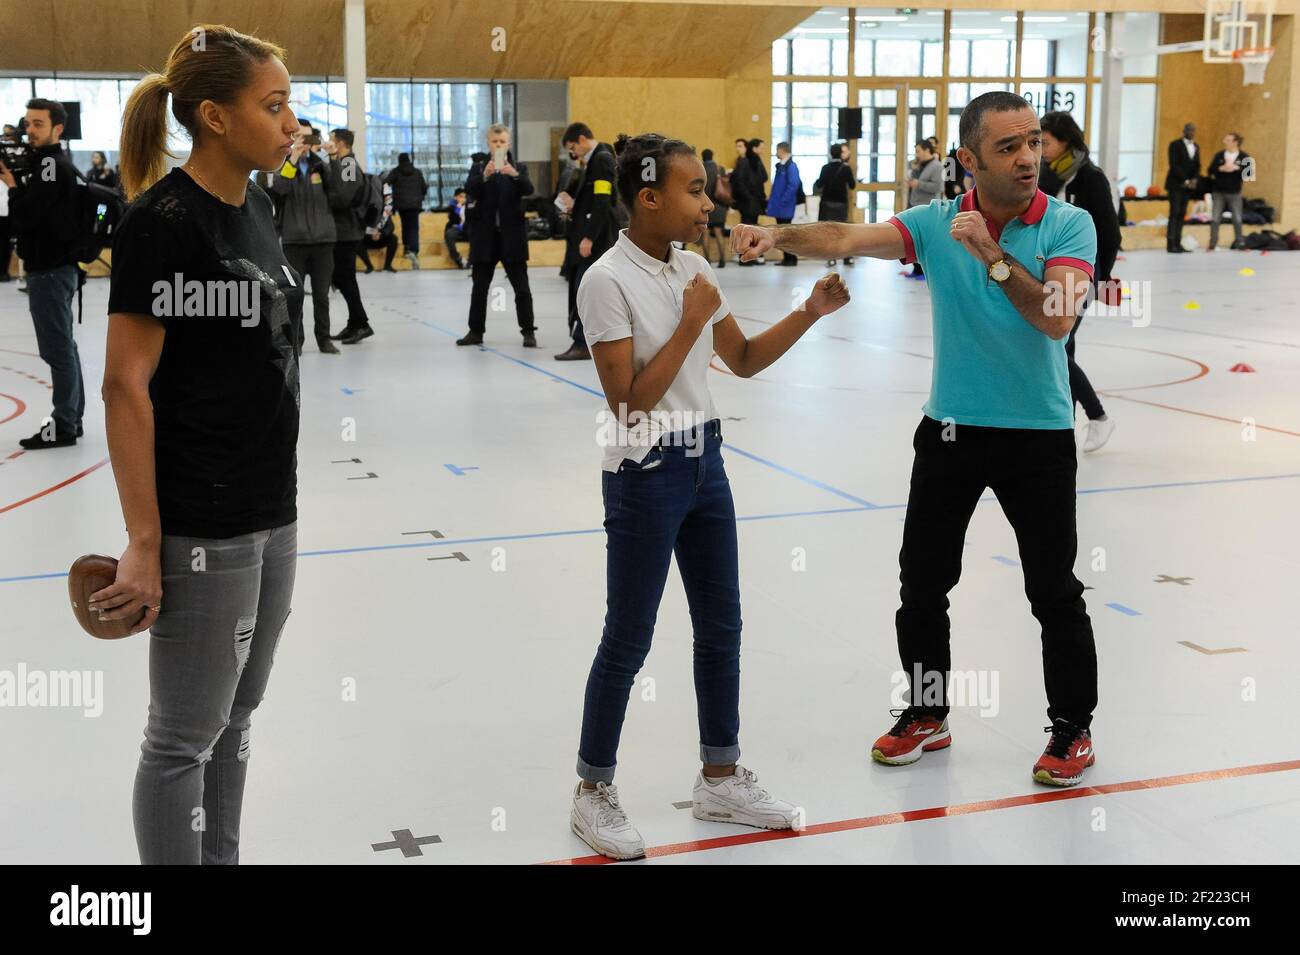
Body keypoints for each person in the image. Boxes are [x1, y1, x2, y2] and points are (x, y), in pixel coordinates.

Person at [733, 91, 1101, 789]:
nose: (1028, 158)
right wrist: (776, 234)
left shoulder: (1069, 224)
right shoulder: (936, 221)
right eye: (1008, 147)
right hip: (951, 430)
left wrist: (991, 255)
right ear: (969, 160)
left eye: (1032, 143)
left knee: (1053, 589)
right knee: (922, 581)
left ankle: (1072, 727)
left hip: (1038, 435)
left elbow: (1056, 318)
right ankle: (927, 711)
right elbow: (844, 238)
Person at [570, 132, 850, 860]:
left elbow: (745, 359)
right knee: (627, 637)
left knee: (721, 625)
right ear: (648, 197)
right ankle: (592, 790)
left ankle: (719, 776)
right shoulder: (606, 281)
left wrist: (810, 310)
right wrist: (691, 321)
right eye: (695, 189)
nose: (708, 200)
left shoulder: (694, 266)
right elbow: (628, 404)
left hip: (706, 463)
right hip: (645, 472)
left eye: (707, 188)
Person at [101, 24, 302, 865]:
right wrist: (146, 542)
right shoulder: (160, 225)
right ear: (215, 117)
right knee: (182, 738)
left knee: (238, 718)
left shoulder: (258, 204)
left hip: (272, 507)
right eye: (276, 104)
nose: (293, 121)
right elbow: (124, 385)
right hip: (201, 523)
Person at [1, 98, 85, 449]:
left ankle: (64, 424)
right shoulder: (51, 164)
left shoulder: (51, 167)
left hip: (50, 271)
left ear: (58, 129)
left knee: (57, 349)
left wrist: (13, 187)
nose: (30, 130)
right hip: (56, 269)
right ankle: (71, 418)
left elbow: (26, 217)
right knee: (64, 346)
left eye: (38, 124)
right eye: (28, 123)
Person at [1041, 110, 1120, 453]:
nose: (1040, 148)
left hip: (1081, 276)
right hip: (1044, 273)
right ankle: (1065, 429)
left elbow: (1110, 233)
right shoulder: (1044, 175)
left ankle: (1097, 417)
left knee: (1055, 348)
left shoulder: (1090, 178)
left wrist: (1100, 277)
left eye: (1045, 142)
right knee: (1062, 348)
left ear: (1066, 141)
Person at [457, 124, 537, 347]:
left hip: (513, 237)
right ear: (488, 143)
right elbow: (470, 189)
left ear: (509, 143)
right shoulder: (479, 167)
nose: (499, 145)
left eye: (502, 141)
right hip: (485, 238)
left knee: (521, 287)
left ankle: (528, 331)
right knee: (479, 287)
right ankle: (475, 331)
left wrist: (515, 175)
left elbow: (529, 189)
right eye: (495, 141)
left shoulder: (519, 167)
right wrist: (485, 175)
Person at [269, 123, 339, 354]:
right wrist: (293, 159)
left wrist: (333, 158)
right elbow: (280, 188)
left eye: (308, 138)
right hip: (294, 241)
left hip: (323, 241)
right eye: (299, 137)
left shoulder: (322, 165)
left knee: (321, 295)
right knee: (293, 295)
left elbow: (339, 191)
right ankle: (295, 340)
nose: (304, 142)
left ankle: (324, 339)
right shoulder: (284, 164)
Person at [555, 122, 617, 360]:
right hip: (587, 235)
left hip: (594, 240)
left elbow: (603, 201)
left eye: (573, 147)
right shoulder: (593, 160)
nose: (573, 153)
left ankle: (581, 342)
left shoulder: (601, 159)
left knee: (584, 290)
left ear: (581, 139)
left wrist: (589, 237)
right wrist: (574, 205)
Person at [324, 128, 373, 344]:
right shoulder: (342, 164)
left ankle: (361, 323)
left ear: (341, 143)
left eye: (331, 140)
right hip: (341, 231)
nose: (327, 143)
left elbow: (343, 197)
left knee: (345, 278)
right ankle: (355, 323)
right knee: (343, 278)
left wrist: (325, 197)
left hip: (347, 231)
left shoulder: (348, 165)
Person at [813, 142, 856, 266]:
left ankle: (831, 258)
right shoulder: (846, 168)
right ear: (841, 154)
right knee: (842, 231)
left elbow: (820, 184)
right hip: (841, 203)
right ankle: (847, 257)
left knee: (829, 232)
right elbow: (852, 185)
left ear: (830, 154)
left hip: (827, 203)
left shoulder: (825, 168)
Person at [905, 139, 944, 278]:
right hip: (915, 205)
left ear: (927, 150)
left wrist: (919, 184)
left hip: (928, 208)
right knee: (914, 239)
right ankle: (916, 269)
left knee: (925, 240)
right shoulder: (918, 165)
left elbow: (938, 187)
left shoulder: (937, 166)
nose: (916, 154)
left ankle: (925, 271)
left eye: (918, 151)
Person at [1208, 132, 1249, 252]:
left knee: (1237, 218)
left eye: (1228, 140)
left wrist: (1237, 168)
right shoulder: (1219, 155)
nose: (1225, 142)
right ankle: (1213, 243)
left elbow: (1248, 175)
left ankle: (1240, 242)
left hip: (1235, 192)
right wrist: (1221, 168)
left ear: (1235, 142)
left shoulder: (1244, 156)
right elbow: (1210, 170)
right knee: (1215, 218)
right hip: (1219, 191)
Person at [386, 152, 427, 268]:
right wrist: (420, 197)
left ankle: (407, 248)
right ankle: (414, 250)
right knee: (414, 227)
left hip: (401, 204)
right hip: (415, 205)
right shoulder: (417, 172)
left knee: (405, 225)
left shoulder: (396, 171)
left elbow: (386, 182)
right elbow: (424, 187)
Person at [1164, 122, 1199, 254]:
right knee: (1174, 213)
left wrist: (1194, 179)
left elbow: (1197, 165)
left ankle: (1178, 243)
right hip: (1176, 184)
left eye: (1193, 130)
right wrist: (1185, 180)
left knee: (1182, 214)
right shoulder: (1175, 145)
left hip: (1188, 187)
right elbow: (1174, 165)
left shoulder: (1196, 146)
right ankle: (1171, 243)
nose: (1191, 132)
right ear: (1183, 131)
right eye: (1189, 130)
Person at [767, 141, 801, 266]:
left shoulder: (791, 166)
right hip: (779, 206)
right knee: (781, 233)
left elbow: (793, 185)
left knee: (786, 234)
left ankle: (791, 258)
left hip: (785, 206)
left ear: (781, 150)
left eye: (777, 150)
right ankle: (786, 258)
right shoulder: (782, 166)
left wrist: (783, 201)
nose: (776, 153)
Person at [357, 181, 398, 273]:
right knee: (356, 241)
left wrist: (381, 234)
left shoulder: (385, 211)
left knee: (393, 239)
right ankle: (369, 266)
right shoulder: (364, 211)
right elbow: (361, 227)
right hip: (368, 238)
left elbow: (390, 227)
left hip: (381, 237)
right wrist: (371, 234)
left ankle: (388, 265)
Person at [698, 148, 729, 268]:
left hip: (704, 205)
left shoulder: (699, 169)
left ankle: (707, 260)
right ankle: (722, 260)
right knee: (719, 233)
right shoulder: (719, 169)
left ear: (703, 157)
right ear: (712, 156)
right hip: (719, 206)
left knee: (705, 233)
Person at [443, 187, 468, 269]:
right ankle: (458, 258)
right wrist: (458, 207)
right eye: (461, 196)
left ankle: (471, 261)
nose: (463, 199)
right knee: (449, 234)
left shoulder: (470, 206)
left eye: (464, 197)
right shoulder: (452, 206)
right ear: (455, 197)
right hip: (456, 229)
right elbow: (452, 219)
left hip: (467, 229)